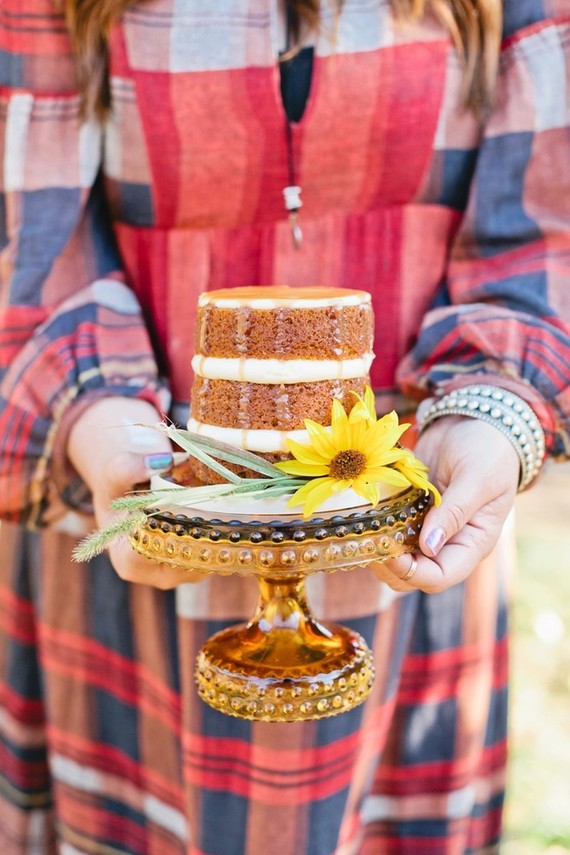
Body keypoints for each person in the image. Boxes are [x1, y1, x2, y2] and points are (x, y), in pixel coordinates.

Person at [0, 0, 568, 852]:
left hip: (404, 526)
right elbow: (33, 245)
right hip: (129, 537)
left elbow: (543, 238)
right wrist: (108, 435)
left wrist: (491, 414)